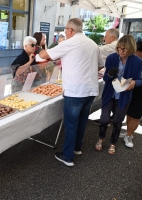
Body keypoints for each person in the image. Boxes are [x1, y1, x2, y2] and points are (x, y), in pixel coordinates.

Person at [39, 18, 104, 167]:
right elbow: (101, 65)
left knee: (71, 124)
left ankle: (67, 156)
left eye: (65, 30)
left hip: (75, 91)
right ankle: (77, 148)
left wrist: (41, 47)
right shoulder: (93, 44)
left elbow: (43, 56)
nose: (65, 32)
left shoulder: (68, 43)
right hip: (90, 89)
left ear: (70, 30)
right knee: (81, 121)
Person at [95, 35, 142, 155]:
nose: (120, 51)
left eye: (124, 49)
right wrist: (110, 73)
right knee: (104, 119)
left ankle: (113, 142)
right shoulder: (112, 57)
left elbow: (140, 79)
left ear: (131, 48)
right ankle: (101, 138)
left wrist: (134, 82)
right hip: (110, 94)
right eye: (119, 48)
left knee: (117, 120)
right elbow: (106, 78)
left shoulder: (137, 61)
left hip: (123, 96)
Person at [92, 28, 120, 125]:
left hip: (114, 78)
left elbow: (95, 51)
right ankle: (111, 117)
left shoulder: (111, 47)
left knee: (109, 98)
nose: (104, 39)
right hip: (116, 78)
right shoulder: (116, 46)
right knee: (115, 99)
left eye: (106, 36)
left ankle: (105, 120)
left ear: (112, 37)